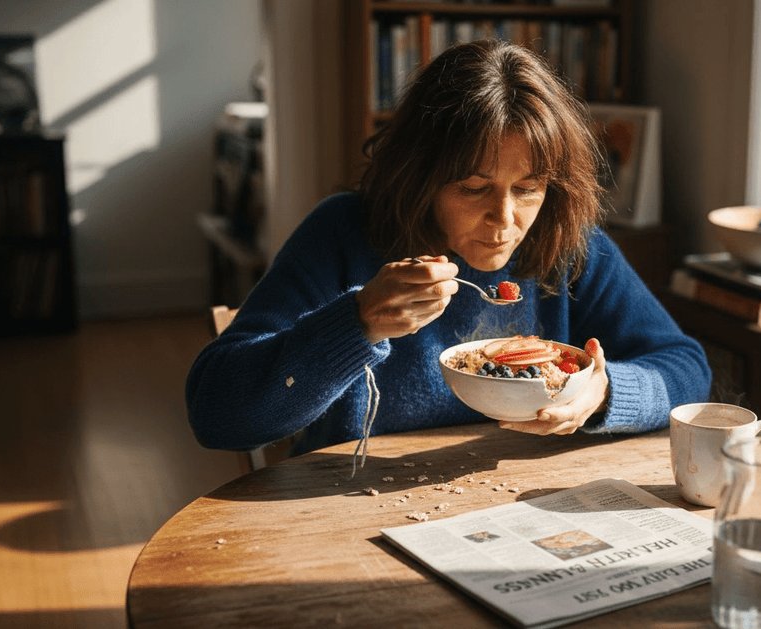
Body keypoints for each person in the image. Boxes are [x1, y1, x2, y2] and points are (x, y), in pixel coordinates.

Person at [186, 40, 711, 461]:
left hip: (520, 510)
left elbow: (687, 369)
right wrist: (357, 323)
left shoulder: (565, 242)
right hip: (349, 507)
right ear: (422, 177)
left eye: (527, 188)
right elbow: (216, 415)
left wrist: (605, 392)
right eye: (474, 188)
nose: (505, 221)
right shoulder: (343, 234)